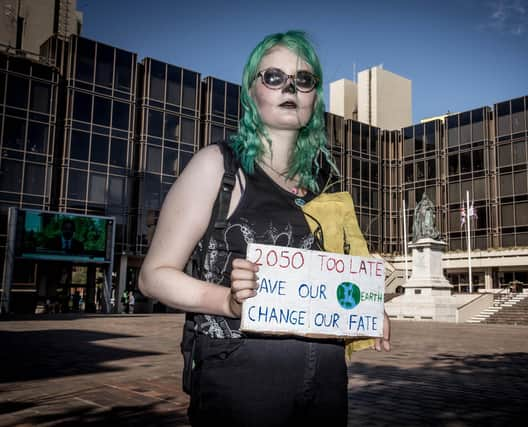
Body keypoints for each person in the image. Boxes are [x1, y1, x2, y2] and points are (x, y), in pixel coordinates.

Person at [138, 31, 391, 426]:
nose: (290, 87)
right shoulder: (218, 166)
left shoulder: (327, 183)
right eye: (274, 77)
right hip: (241, 375)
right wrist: (228, 302)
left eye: (303, 80)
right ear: (251, 91)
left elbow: (334, 283)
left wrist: (365, 305)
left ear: (314, 97)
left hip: (325, 376)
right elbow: (153, 277)